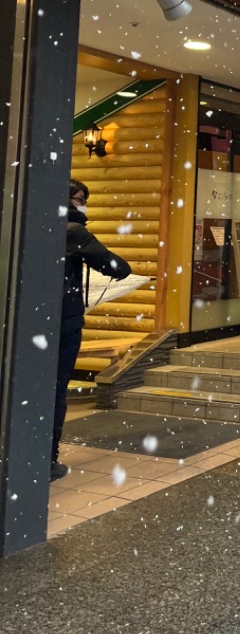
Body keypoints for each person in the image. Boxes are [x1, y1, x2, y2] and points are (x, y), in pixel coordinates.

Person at [52, 179, 132, 481]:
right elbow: (116, 267)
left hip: (32, 323)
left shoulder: (32, 222)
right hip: (64, 323)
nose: (82, 203)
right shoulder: (73, 231)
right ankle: (47, 460)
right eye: (79, 198)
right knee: (56, 390)